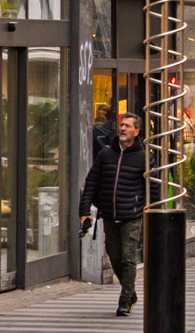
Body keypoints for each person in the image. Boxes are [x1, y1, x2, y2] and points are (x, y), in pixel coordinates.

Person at [79, 113, 154, 317]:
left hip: (132, 215)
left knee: (128, 258)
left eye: (128, 126)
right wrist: (84, 212)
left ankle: (124, 300)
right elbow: (91, 183)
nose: (123, 128)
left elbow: (153, 189)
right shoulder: (106, 154)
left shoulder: (144, 157)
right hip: (110, 215)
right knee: (115, 257)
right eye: (121, 125)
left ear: (136, 131)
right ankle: (131, 293)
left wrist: (149, 212)